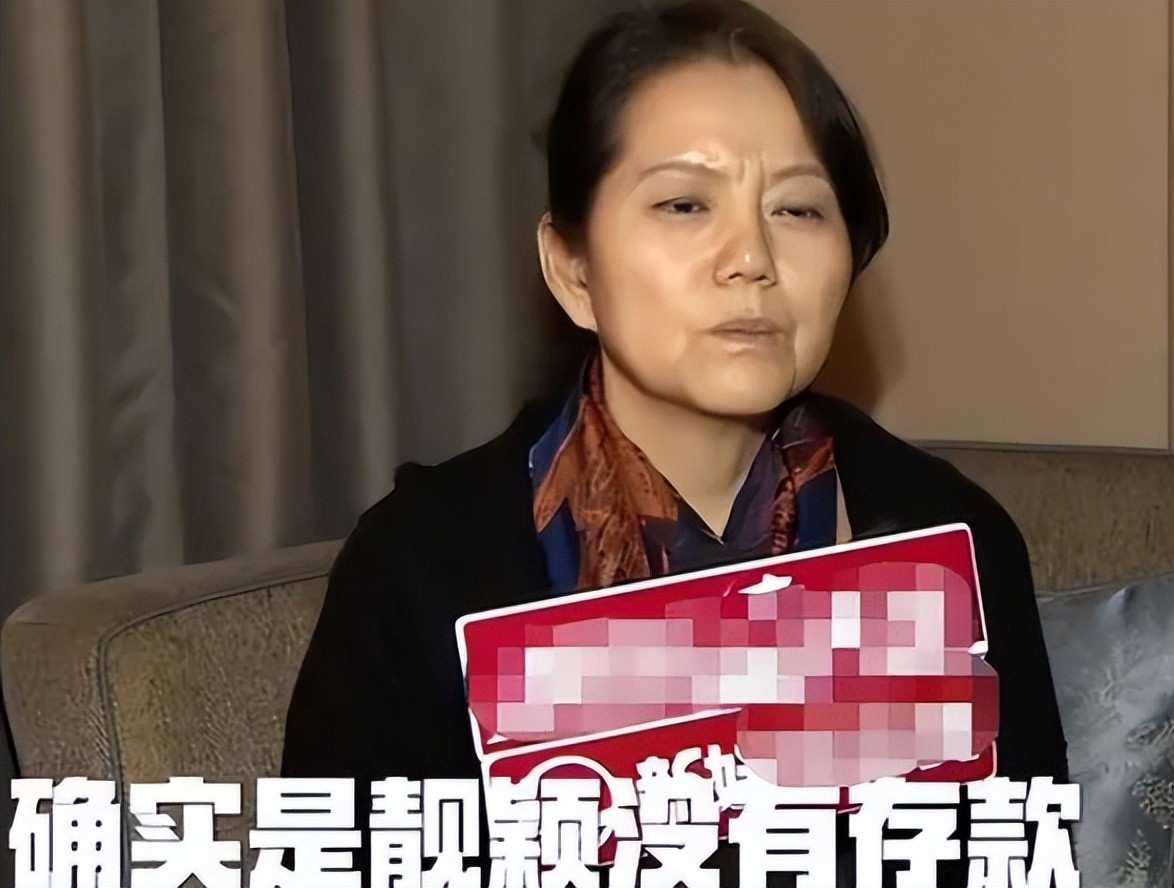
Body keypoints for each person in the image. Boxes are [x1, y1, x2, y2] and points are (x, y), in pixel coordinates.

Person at [283, 0, 1068, 882]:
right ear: (573, 269)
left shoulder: (950, 540)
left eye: (798, 210)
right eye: (685, 203)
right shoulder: (422, 568)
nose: (750, 257)